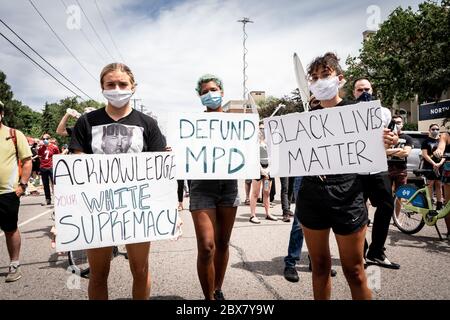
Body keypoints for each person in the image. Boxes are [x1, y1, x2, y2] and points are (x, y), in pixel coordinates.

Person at [296, 52, 395, 300]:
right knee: (319, 267)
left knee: (354, 270)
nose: (319, 81)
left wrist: (386, 141)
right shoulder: (304, 121)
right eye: (314, 77)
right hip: (312, 195)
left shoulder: (358, 113)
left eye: (325, 75)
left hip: (348, 194)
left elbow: (373, 149)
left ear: (339, 78)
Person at [69, 63, 166, 300]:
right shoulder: (87, 122)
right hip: (98, 208)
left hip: (137, 209)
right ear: (102, 87)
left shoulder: (148, 124)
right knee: (99, 274)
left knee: (140, 271)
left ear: (133, 87)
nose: (117, 88)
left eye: (122, 84)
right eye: (110, 84)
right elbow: (76, 172)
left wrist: (168, 210)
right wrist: (66, 214)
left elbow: (160, 172)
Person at [189, 74, 240, 300]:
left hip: (228, 187)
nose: (210, 94)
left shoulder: (238, 125)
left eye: (213, 89)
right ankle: (208, 299)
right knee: (207, 246)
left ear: (222, 92)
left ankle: (217, 289)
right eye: (204, 92)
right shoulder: (191, 126)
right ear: (200, 97)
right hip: (201, 187)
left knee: (222, 242)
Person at [353, 78, 400, 269]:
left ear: (372, 90)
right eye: (360, 89)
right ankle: (359, 253)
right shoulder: (346, 112)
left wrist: (393, 138)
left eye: (367, 88)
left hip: (378, 167)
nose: (364, 92)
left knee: (387, 207)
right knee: (358, 212)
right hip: (355, 170)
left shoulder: (385, 112)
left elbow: (394, 135)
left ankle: (377, 252)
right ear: (354, 92)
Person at [0, 100, 32, 282]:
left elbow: (27, 160)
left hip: (8, 193)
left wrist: (23, 185)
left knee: (10, 229)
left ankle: (14, 264)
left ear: (2, 114)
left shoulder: (13, 134)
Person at [249, 123, 278, 224]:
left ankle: (268, 213)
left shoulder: (268, 143)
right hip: (258, 171)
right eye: (260, 128)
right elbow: (254, 157)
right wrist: (261, 170)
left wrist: (268, 169)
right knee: (255, 193)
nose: (262, 130)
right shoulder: (254, 143)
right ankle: (253, 215)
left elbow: (272, 157)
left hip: (267, 171)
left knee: (266, 192)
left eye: (263, 129)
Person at [387, 115, 413, 215]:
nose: (397, 125)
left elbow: (406, 153)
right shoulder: (387, 136)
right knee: (386, 195)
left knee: (399, 196)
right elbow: (383, 152)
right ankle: (387, 217)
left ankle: (396, 219)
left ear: (402, 124)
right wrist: (399, 150)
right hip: (387, 169)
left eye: (399, 122)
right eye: (395, 122)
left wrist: (389, 152)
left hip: (401, 170)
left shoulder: (408, 138)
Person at [421, 124, 445, 209]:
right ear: (429, 130)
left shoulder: (441, 141)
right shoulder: (426, 141)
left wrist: (440, 163)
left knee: (439, 184)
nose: (435, 130)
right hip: (429, 166)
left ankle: (439, 204)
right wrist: (433, 163)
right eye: (433, 129)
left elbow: (445, 155)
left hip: (440, 166)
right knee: (430, 184)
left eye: (437, 129)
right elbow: (425, 155)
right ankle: (429, 202)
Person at [434, 131, 450, 239]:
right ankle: (449, 231)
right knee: (448, 204)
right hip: (449, 170)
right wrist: (439, 151)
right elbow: (441, 147)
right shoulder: (446, 135)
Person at [38, 133, 60, 205]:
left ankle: (57, 198)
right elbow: (40, 157)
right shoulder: (41, 148)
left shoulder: (54, 147)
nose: (45, 140)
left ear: (50, 139)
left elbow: (57, 156)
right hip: (43, 167)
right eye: (43, 139)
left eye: (47, 139)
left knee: (55, 183)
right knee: (45, 184)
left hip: (51, 167)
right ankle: (48, 199)